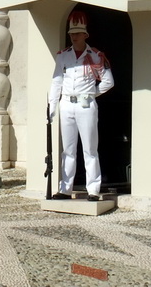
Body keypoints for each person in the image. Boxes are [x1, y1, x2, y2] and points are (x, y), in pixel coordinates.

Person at [48, 10, 114, 200]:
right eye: (71, 34)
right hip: (67, 104)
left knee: (89, 149)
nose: (74, 37)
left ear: (85, 35)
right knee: (68, 150)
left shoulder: (95, 56)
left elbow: (108, 81)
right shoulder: (63, 56)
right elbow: (56, 81)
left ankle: (93, 189)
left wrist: (92, 93)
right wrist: (52, 106)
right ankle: (65, 188)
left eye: (77, 33)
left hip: (86, 105)